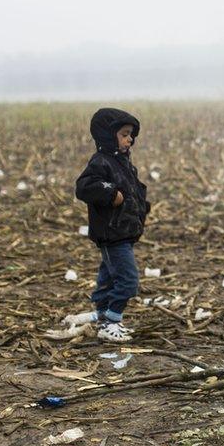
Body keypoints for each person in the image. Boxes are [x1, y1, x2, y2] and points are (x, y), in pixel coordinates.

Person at [74, 108, 150, 342]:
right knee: (128, 281)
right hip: (112, 234)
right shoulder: (101, 162)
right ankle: (111, 321)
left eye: (131, 135)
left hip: (123, 233)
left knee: (107, 278)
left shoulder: (123, 163)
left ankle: (100, 315)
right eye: (125, 134)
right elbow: (84, 187)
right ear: (108, 136)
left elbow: (133, 190)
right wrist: (110, 193)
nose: (130, 139)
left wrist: (141, 207)